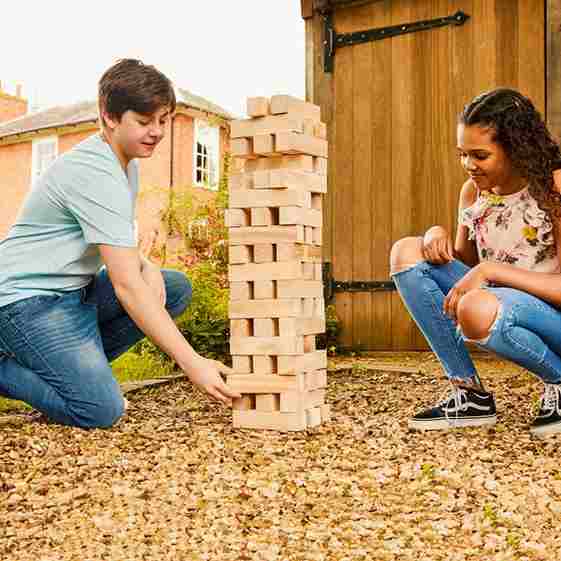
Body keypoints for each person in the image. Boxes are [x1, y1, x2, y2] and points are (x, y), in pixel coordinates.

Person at [0, 59, 240, 428]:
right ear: (109, 117)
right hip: (26, 302)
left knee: (172, 288)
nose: (157, 132)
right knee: (98, 411)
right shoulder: (93, 172)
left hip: (71, 293)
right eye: (144, 122)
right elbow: (127, 287)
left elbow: (118, 246)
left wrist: (148, 265)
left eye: (164, 120)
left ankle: (71, 376)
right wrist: (193, 364)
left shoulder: (125, 163)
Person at [390, 88, 561, 437]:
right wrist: (433, 235)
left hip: (551, 319)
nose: (469, 165)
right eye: (462, 154)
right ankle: (469, 394)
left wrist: (491, 271)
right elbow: (466, 264)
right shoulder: (474, 192)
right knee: (406, 252)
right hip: (494, 302)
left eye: (479, 155)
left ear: (515, 147)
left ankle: (558, 382)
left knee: (477, 307)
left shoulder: (553, 187)